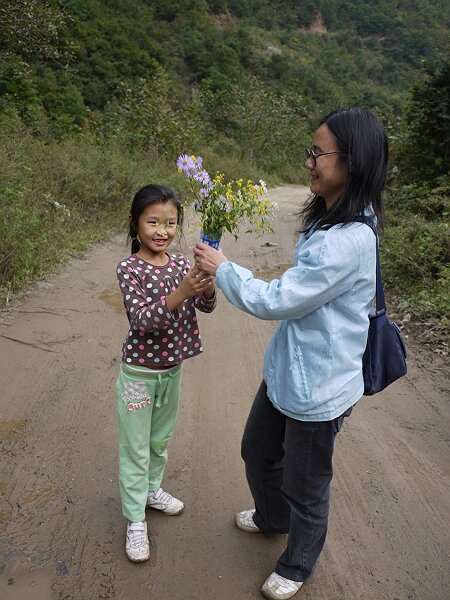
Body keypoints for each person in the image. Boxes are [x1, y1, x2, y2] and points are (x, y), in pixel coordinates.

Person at [194, 108, 387, 599]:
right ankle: (272, 517)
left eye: (318, 153)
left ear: (353, 160)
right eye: (311, 151)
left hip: (319, 386)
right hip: (290, 371)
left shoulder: (349, 239)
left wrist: (223, 268)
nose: (309, 163)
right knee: (257, 452)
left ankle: (299, 562)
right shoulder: (333, 216)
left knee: (307, 485)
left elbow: (278, 299)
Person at [116, 184, 216, 562]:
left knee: (159, 441)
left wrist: (205, 286)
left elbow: (206, 307)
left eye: (171, 223)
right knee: (135, 448)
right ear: (135, 224)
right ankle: (135, 518)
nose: (162, 231)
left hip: (172, 371)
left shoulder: (179, 265)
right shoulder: (129, 269)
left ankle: (152, 491)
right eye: (153, 222)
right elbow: (142, 320)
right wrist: (180, 293)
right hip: (139, 375)